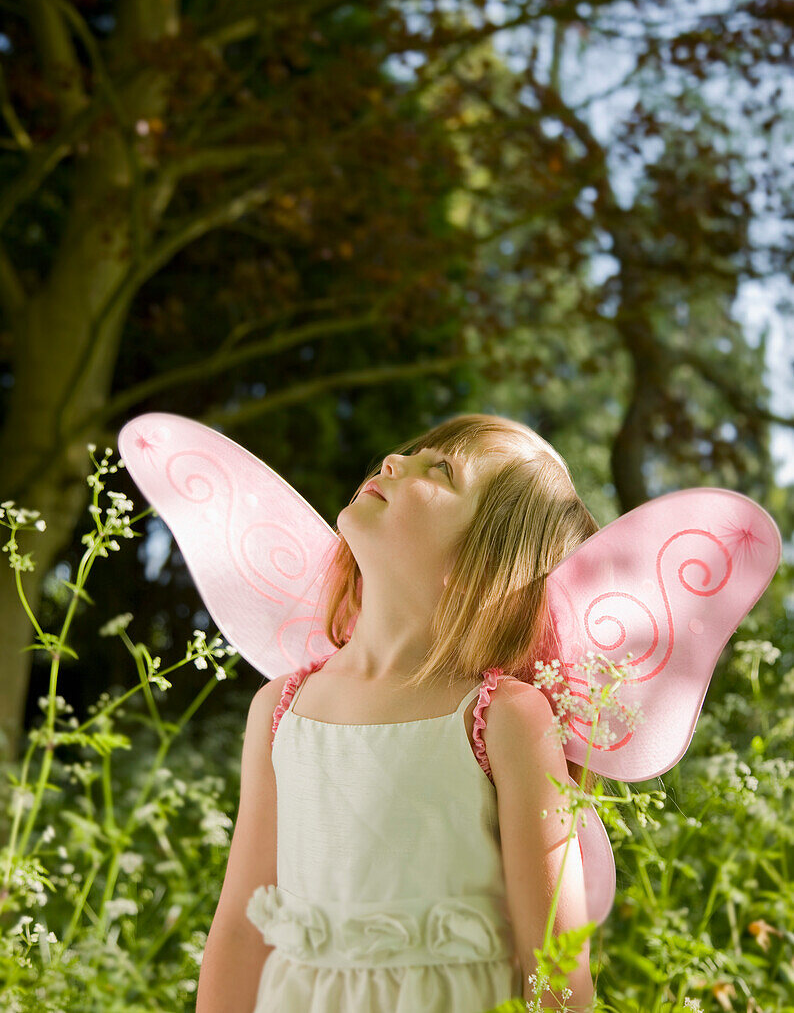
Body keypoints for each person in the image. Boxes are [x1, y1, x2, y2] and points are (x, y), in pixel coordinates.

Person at [196, 412, 599, 1013]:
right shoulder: (280, 709)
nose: (393, 459)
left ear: (485, 561)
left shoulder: (505, 719)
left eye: (441, 470)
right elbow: (239, 930)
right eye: (413, 451)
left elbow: (556, 963)